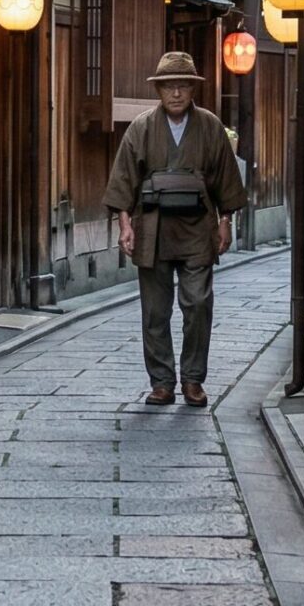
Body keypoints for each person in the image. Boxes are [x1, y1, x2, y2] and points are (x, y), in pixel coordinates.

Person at [101, 50, 250, 406]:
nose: (177, 94)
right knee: (155, 310)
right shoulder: (141, 128)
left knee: (198, 303)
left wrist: (225, 222)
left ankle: (193, 380)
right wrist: (125, 225)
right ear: (159, 90)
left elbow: (226, 180)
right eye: (170, 86)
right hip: (152, 228)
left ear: (193, 89)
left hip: (199, 227)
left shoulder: (211, 126)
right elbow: (124, 181)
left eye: (183, 86)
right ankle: (162, 382)